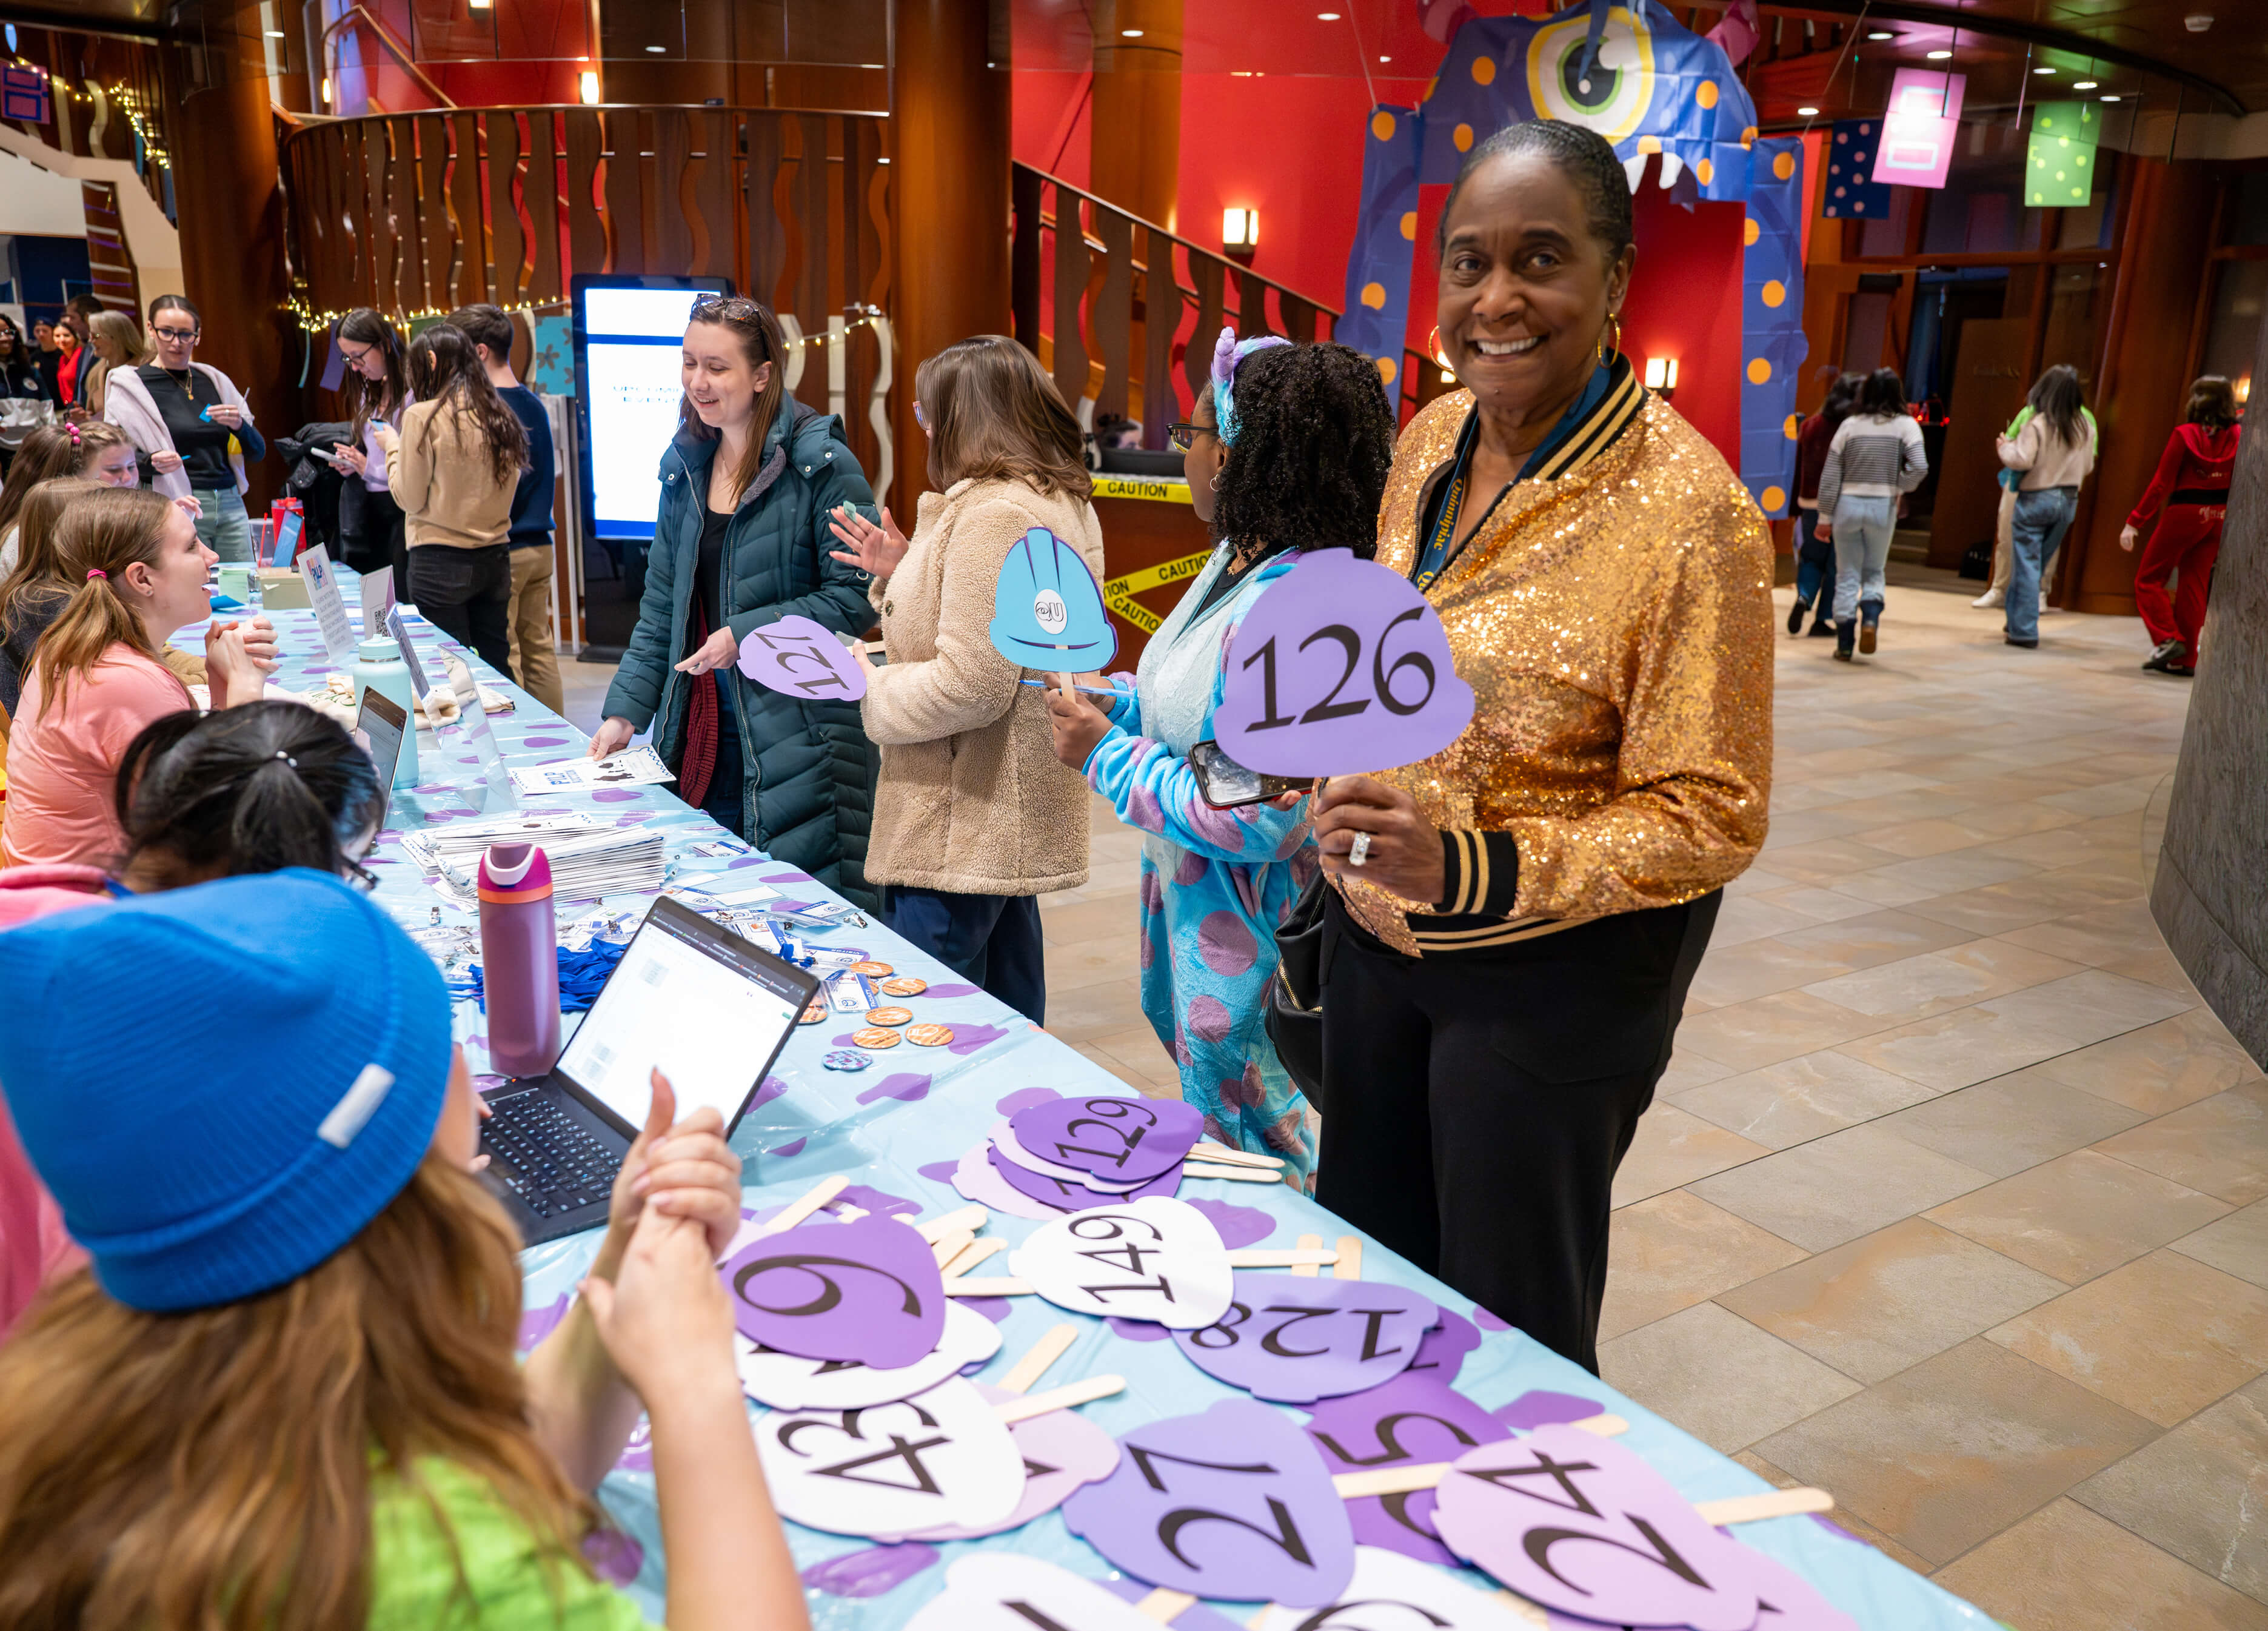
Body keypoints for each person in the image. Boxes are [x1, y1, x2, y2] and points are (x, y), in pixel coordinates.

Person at [0, 870, 805, 1631]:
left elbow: (522, 1457)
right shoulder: (441, 1568)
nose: (468, 1066)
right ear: (396, 1155)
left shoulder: (110, 1378)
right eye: (445, 1041)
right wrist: (696, 1389)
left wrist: (622, 1256)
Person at [1301, 120, 1771, 1373]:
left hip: (1552, 984)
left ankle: (1512, 1552)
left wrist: (1467, 868)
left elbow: (1711, 812)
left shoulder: (1693, 518)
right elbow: (1404, 660)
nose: (1494, 299)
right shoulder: (1425, 446)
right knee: (1368, 1277)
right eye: (1466, 264)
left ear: (1615, 280)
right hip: (1376, 938)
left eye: (1539, 260)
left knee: (1507, 1331)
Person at [1040, 336, 1394, 1180]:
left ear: (1234, 450)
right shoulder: (1240, 562)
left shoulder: (1301, 607)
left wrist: (1106, 757)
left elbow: (1261, 806)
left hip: (1258, 944)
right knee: (1226, 1136)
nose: (1184, 449)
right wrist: (1116, 699)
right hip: (1197, 927)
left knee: (1267, 1161)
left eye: (1193, 430)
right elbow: (1191, 701)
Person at [823, 334, 1102, 1023]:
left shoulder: (992, 515)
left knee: (931, 1029)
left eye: (925, 411)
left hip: (961, 815)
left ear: (961, 418)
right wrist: (906, 567)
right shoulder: (1053, 499)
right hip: (998, 812)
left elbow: (972, 683)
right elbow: (1001, 631)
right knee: (1007, 1022)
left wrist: (872, 685)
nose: (921, 426)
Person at [592, 296, 881, 909]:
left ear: (762, 375)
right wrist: (623, 715)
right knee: (711, 915)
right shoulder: (686, 468)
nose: (698, 381)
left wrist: (746, 635)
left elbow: (857, 600)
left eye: (717, 367)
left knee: (798, 930)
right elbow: (662, 612)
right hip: (699, 728)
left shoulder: (823, 466)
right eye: (689, 362)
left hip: (800, 742)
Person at [1, 488, 267, 867]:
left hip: (63, 903)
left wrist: (221, 682)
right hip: (94, 913)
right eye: (192, 547)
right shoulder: (123, 680)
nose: (212, 556)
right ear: (142, 579)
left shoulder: (78, 649)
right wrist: (246, 688)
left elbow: (199, 778)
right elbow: (229, 819)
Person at [374, 323, 526, 675]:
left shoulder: (422, 416)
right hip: (496, 558)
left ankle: (454, 734)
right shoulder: (500, 415)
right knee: (496, 665)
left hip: (439, 562)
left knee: (446, 671)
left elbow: (409, 498)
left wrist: (393, 449)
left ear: (430, 359)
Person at [448, 304, 565, 712]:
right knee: (540, 652)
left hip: (507, 549)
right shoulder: (532, 403)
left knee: (508, 653)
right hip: (541, 547)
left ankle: (522, 748)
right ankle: (556, 741)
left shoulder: (489, 409)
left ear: (479, 352)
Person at [102, 295, 266, 562]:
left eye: (185, 335)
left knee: (241, 588)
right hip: (174, 501)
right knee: (188, 586)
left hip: (229, 500)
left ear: (197, 337)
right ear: (151, 330)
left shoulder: (214, 380)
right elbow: (115, 456)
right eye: (167, 332)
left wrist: (239, 426)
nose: (177, 342)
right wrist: (149, 462)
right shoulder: (131, 385)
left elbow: (257, 452)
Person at [2120, 374, 2240, 676]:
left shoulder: (2183, 434)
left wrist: (2134, 522)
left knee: (2148, 579)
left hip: (2184, 513)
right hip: (2218, 517)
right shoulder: (2241, 435)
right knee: (2194, 585)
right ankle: (2188, 661)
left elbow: (2161, 485)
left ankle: (2168, 638)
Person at [1815, 367, 1926, 661]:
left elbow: (1830, 475)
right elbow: (1920, 466)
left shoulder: (1850, 426)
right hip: (1882, 506)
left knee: (1847, 573)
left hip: (1847, 505)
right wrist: (1899, 485)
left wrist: (1824, 518)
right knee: (1874, 570)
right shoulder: (1905, 426)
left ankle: (1844, 644)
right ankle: (1871, 620)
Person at [1996, 363, 2096, 650]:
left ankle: (2024, 630)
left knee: (2026, 565)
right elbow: (2088, 466)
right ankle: (2016, 622)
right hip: (2068, 501)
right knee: (2035, 566)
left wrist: (2005, 448)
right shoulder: (2086, 426)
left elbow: (2023, 460)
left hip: (2037, 498)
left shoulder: (2038, 423)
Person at [329, 307, 413, 599]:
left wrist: (369, 468)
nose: (353, 367)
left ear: (385, 345)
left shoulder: (415, 394)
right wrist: (354, 463)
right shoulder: (370, 392)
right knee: (376, 598)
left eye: (358, 357)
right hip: (371, 507)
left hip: (403, 509)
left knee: (401, 597)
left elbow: (415, 467)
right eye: (348, 359)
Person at [1788, 372, 1858, 637]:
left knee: (1811, 557)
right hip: (1843, 503)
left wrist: (1795, 506)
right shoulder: (1852, 429)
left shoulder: (1810, 425)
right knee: (1836, 565)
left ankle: (1804, 595)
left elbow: (1798, 467)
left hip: (1809, 502)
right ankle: (1823, 619)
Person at [0, 314, 55, 480]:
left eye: (8, 332)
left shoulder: (32, 372)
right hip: (3, 450)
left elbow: (47, 409)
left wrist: (53, 442)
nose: (5, 338)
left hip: (35, 448)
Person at [75, 309, 147, 421]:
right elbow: (94, 414)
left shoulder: (146, 369)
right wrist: (85, 419)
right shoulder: (94, 375)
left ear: (117, 337)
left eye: (96, 336)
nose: (91, 340)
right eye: (90, 335)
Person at [52, 295, 100, 409]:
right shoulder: (86, 350)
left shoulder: (107, 350)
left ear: (88, 318)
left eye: (73, 318)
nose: (70, 324)